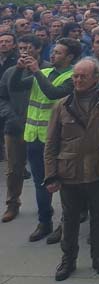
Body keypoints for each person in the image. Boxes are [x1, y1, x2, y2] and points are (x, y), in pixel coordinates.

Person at [44, 58, 99, 281]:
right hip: (69, 172)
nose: (78, 79)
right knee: (70, 219)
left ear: (96, 78)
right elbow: (51, 144)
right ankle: (68, 260)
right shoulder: (61, 105)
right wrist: (50, 175)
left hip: (98, 170)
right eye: (75, 76)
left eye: (83, 76)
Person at [14, 37, 80, 244]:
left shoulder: (73, 77)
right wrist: (18, 69)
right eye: (53, 51)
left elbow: (54, 93)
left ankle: (66, 224)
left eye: (58, 52)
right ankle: (44, 221)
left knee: (65, 184)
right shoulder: (43, 72)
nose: (52, 55)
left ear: (70, 57)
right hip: (34, 136)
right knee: (40, 183)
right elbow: (15, 86)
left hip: (58, 140)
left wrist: (34, 71)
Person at [0, 33, 41, 222]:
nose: (24, 52)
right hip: (14, 126)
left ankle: (45, 206)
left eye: (29, 48)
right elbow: (2, 97)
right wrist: (10, 115)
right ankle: (12, 204)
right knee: (14, 168)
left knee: (44, 168)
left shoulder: (46, 69)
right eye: (22, 48)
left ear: (38, 49)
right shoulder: (10, 72)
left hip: (41, 127)